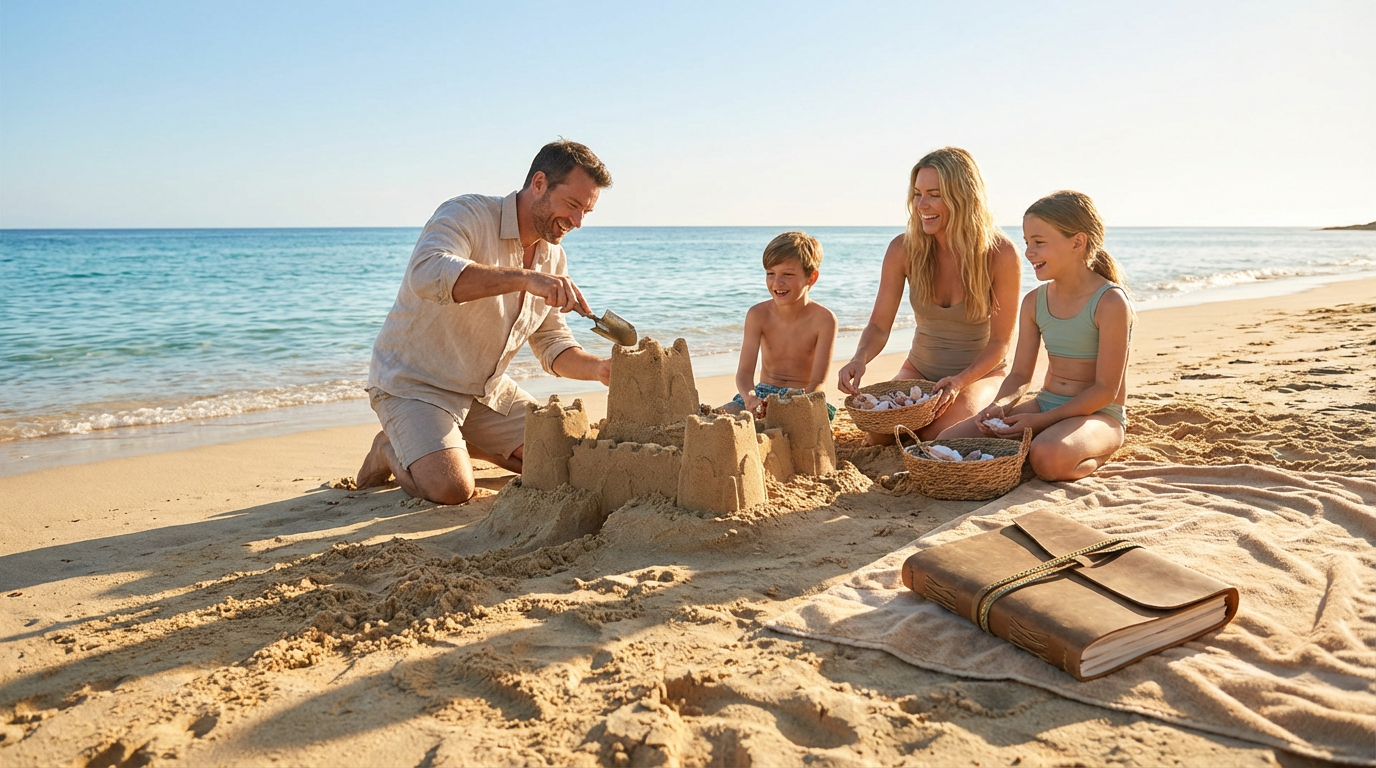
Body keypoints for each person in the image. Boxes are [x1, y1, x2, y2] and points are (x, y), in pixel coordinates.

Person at [354, 140, 615, 504]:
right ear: (538, 183)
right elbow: (427, 272)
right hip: (415, 384)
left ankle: (453, 444)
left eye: (586, 211)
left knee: (561, 461)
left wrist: (600, 368)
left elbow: (553, 343)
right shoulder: (467, 213)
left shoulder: (553, 258)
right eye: (572, 205)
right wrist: (524, 279)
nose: (577, 222)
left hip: (485, 391)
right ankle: (389, 446)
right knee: (451, 489)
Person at [836, 147, 1020, 440]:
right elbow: (879, 325)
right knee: (882, 434)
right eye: (917, 194)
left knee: (937, 434)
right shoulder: (903, 249)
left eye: (934, 194)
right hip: (919, 370)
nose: (922, 204)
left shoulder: (1001, 253)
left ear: (963, 196)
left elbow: (1000, 342)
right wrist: (859, 359)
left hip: (979, 376)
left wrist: (959, 382)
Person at [950, 190, 1134, 481]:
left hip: (1099, 416)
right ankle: (1040, 444)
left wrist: (1038, 423)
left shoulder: (1110, 302)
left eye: (1038, 242)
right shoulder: (1034, 302)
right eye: (1026, 243)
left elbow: (1105, 391)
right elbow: (1020, 375)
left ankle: (1095, 453)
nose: (1028, 252)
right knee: (951, 440)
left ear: (1078, 242)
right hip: (1046, 406)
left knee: (1047, 458)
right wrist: (1000, 406)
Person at [719, 231, 838, 420]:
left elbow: (818, 382)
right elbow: (744, 373)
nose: (777, 282)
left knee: (802, 424)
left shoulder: (824, 319)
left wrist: (795, 405)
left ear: (811, 278)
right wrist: (750, 399)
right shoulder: (757, 314)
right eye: (770, 273)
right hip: (763, 393)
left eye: (788, 274)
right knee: (722, 416)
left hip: (803, 396)